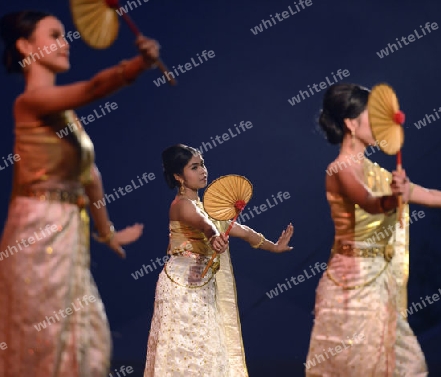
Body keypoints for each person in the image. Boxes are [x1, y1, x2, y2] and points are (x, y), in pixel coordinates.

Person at [0, 9, 160, 377]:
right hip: (37, 230)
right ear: (26, 45)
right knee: (42, 331)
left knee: (83, 337)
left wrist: (107, 232)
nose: (64, 42)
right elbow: (92, 89)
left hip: (68, 230)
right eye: (54, 34)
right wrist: (135, 66)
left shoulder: (66, 114)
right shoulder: (29, 103)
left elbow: (91, 177)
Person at [305, 82, 441, 376]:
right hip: (353, 284)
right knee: (359, 365)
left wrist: (402, 193)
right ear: (351, 123)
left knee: (408, 367)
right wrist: (395, 197)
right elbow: (369, 203)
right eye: (373, 115)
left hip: (381, 283)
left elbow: (432, 196)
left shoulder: (381, 173)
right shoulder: (341, 168)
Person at [143, 144, 294, 377]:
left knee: (207, 347)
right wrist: (214, 237)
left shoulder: (205, 208)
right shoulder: (182, 205)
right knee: (183, 348)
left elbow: (242, 230)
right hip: (182, 286)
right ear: (178, 176)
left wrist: (274, 246)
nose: (203, 171)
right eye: (194, 167)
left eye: (202, 164)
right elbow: (206, 226)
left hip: (204, 286)